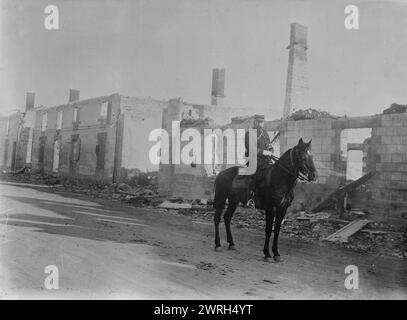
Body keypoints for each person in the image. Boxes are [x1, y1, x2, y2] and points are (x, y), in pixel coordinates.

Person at [244, 114, 274, 207]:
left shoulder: (264, 133)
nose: (260, 124)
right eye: (258, 122)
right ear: (255, 122)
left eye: (261, 122)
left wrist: (271, 150)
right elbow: (251, 149)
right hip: (254, 159)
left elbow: (268, 144)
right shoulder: (250, 133)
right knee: (255, 176)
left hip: (266, 160)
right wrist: (263, 152)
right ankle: (251, 198)